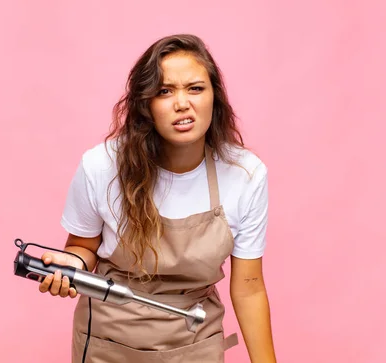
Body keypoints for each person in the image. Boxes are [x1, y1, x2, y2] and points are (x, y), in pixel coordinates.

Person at [38, 33, 277, 363]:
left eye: (195, 88)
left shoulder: (245, 174)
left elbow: (249, 285)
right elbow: (83, 247)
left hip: (196, 342)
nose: (182, 103)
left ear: (214, 98)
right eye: (165, 91)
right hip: (109, 341)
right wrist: (73, 264)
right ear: (145, 105)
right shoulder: (101, 165)